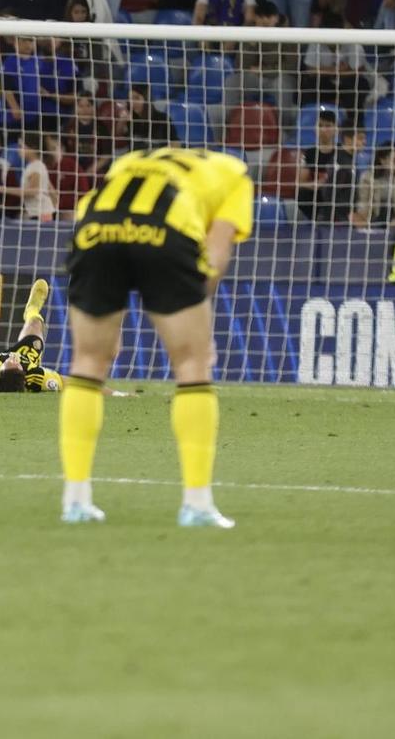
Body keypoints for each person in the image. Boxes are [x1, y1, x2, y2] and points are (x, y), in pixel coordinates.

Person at [59, 146, 254, 528]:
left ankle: (75, 501)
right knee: (192, 363)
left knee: (88, 362)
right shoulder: (234, 174)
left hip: (96, 225)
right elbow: (215, 255)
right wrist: (196, 311)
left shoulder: (131, 159)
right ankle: (196, 505)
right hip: (167, 227)